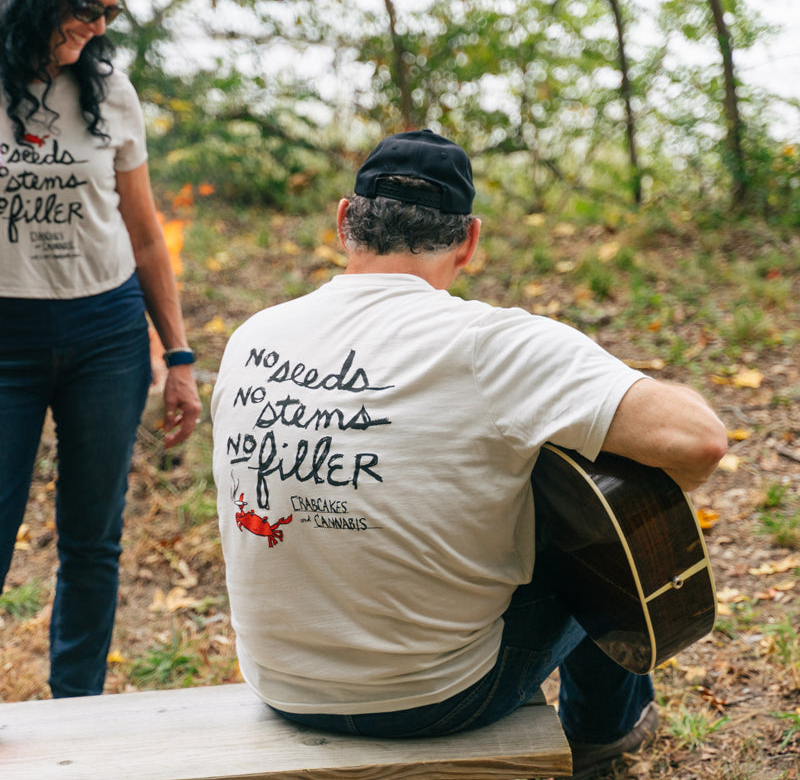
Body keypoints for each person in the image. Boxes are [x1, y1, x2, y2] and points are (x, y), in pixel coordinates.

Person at [211, 130, 726, 777]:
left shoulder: (253, 335)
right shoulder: (492, 344)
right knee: (593, 553)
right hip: (432, 700)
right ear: (470, 240)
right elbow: (700, 441)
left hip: (279, 682)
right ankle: (603, 735)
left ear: (345, 221)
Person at [0, 0, 202, 698]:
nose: (98, 25)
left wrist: (177, 355)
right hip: (7, 335)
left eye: (110, 13)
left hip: (106, 335)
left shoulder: (110, 89)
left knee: (93, 541)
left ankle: (76, 710)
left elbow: (146, 234)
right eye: (86, 7)